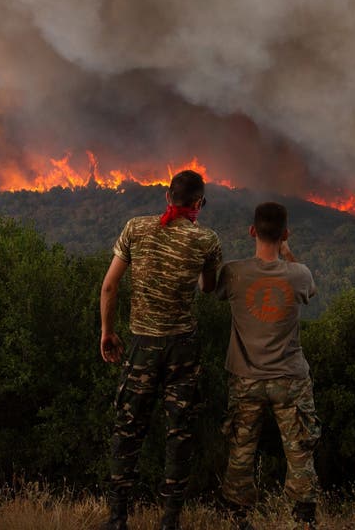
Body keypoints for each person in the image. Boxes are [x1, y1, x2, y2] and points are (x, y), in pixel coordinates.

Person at [99, 169, 223, 530]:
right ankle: (170, 521)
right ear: (198, 203)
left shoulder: (135, 228)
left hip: (142, 346)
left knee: (127, 430)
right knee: (178, 434)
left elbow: (109, 287)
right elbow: (207, 289)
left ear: (168, 197)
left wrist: (108, 332)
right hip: (182, 350)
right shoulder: (207, 240)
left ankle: (117, 518)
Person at [216, 202, 321, 530]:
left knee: (241, 448)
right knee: (300, 449)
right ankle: (304, 520)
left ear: (251, 231)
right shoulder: (299, 274)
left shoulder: (233, 273)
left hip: (246, 378)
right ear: (285, 234)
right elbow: (311, 292)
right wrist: (288, 254)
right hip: (289, 379)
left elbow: (210, 289)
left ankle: (238, 518)